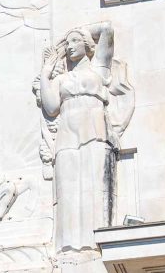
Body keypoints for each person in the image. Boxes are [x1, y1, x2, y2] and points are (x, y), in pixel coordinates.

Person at [39, 22, 117, 253]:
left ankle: (92, 243)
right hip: (67, 129)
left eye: (75, 42)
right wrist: (46, 73)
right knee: (68, 186)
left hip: (93, 127)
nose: (70, 47)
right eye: (68, 44)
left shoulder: (99, 69)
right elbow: (52, 106)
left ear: (86, 44)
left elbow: (107, 31)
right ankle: (69, 246)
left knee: (93, 183)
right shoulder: (61, 79)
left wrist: (70, 34)